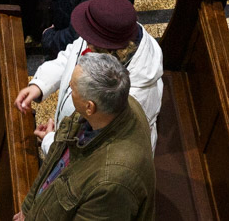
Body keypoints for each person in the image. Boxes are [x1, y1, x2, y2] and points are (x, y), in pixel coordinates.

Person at [18, 0, 164, 155]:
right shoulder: (106, 36)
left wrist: (51, 142)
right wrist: (41, 84)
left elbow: (94, 154)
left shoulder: (130, 99)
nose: (84, 42)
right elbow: (71, 55)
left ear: (108, 50)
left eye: (90, 43)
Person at [18, 54, 156, 220]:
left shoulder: (110, 183)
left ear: (89, 107)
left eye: (72, 88)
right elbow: (57, 158)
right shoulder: (114, 106)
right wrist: (28, 209)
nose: (69, 89)